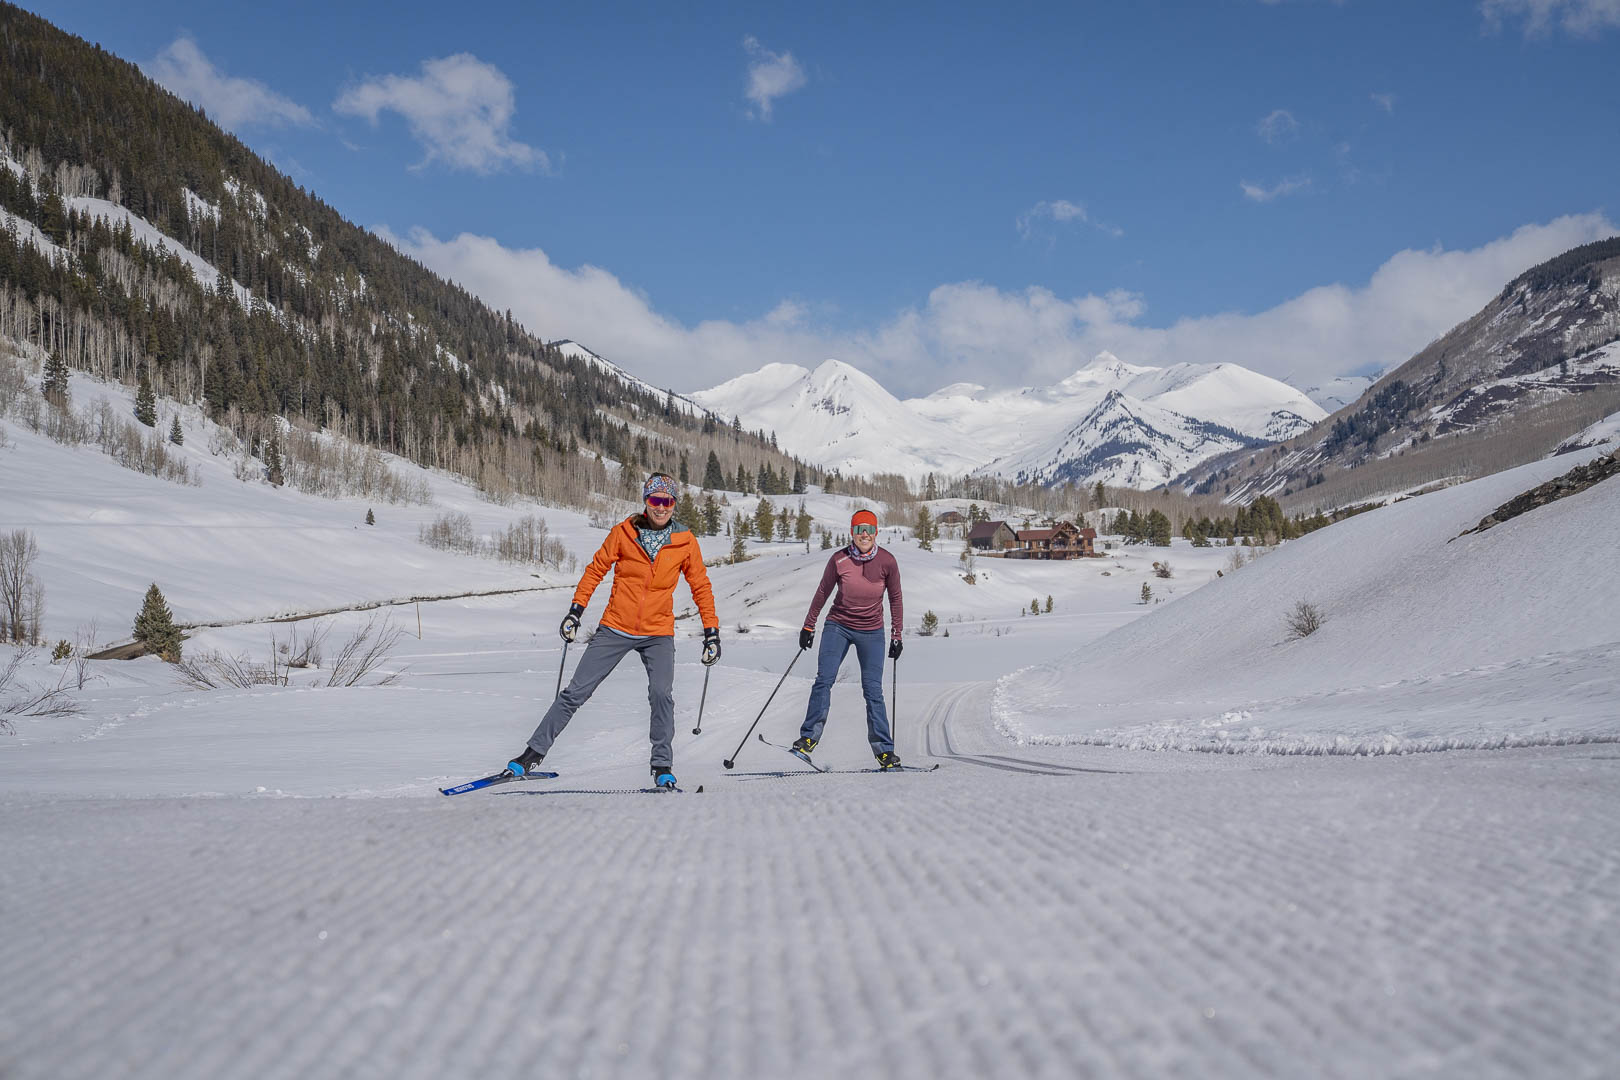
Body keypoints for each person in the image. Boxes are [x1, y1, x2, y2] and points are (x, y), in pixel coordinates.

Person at [507, 473, 720, 788]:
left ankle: (662, 766)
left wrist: (711, 631)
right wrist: (576, 610)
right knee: (575, 692)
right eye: (655, 500)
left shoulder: (685, 541)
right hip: (615, 627)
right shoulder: (623, 533)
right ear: (646, 502)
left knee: (661, 694)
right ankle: (532, 754)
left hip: (657, 632)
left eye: (668, 501)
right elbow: (596, 570)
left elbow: (701, 586)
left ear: (675, 505)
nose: (661, 508)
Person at [794, 508, 905, 769]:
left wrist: (897, 635)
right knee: (824, 680)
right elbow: (823, 592)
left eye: (868, 529)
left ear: (876, 532)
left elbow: (896, 598)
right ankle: (808, 739)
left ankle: (884, 752)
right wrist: (808, 627)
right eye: (858, 529)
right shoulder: (839, 560)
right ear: (851, 533)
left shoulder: (887, 561)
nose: (863, 534)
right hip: (838, 626)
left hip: (872, 631)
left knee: (872, 690)